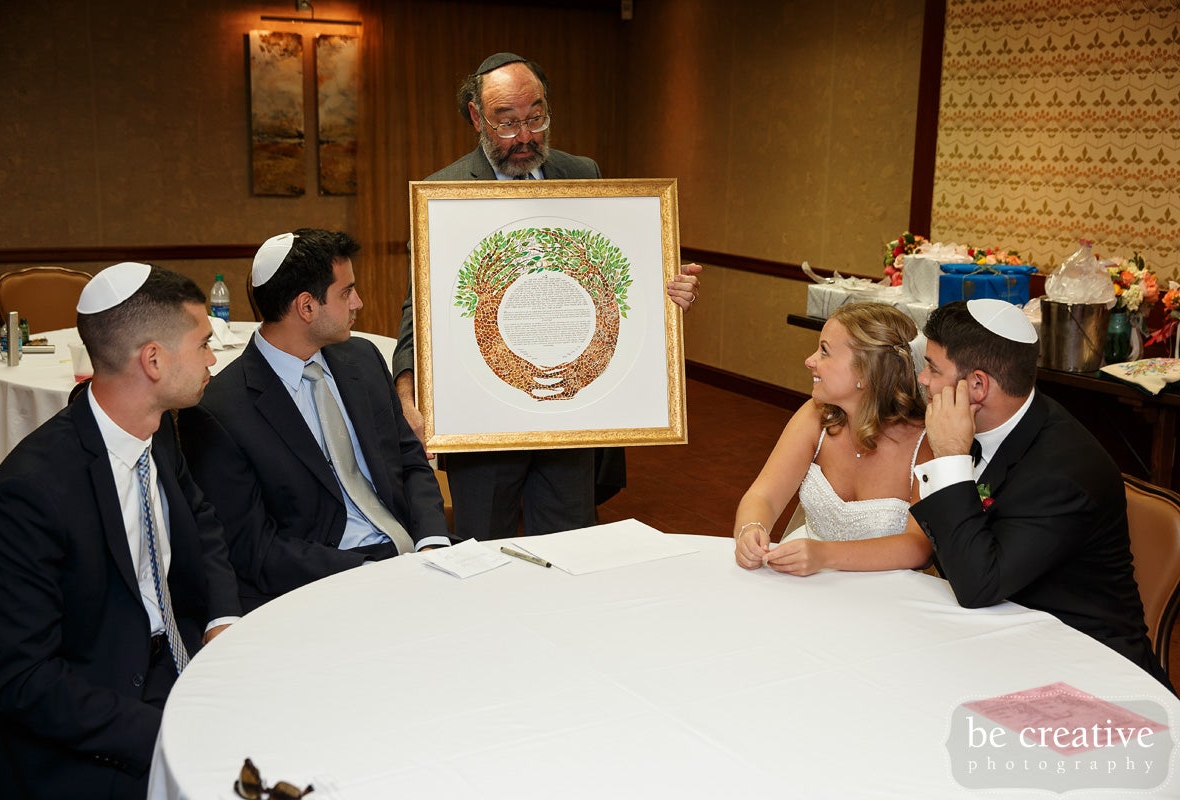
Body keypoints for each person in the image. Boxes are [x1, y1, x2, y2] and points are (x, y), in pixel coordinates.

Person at [392, 51, 702, 540]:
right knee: (483, 547)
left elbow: (614, 276)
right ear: (477, 118)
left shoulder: (583, 173)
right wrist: (407, 385)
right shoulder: (443, 192)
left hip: (570, 409)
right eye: (507, 123)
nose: (525, 137)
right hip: (483, 410)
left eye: (536, 118)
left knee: (571, 543)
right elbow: (420, 305)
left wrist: (667, 291)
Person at [0, 263, 241, 800]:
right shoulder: (29, 492)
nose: (213, 359)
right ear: (153, 360)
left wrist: (221, 620)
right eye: (203, 345)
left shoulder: (158, 429)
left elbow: (201, 521)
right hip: (93, 717)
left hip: (179, 661)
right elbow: (26, 682)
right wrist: (168, 731)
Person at [178, 229, 450, 613]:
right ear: (306, 307)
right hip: (321, 583)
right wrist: (372, 569)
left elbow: (410, 461)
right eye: (346, 292)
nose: (358, 302)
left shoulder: (363, 358)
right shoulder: (219, 411)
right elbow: (256, 547)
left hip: (415, 556)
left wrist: (432, 541)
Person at [909, 298, 1171, 688]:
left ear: (978, 385)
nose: (923, 380)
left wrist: (950, 458)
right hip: (1006, 637)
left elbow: (977, 585)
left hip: (1090, 670)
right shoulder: (997, 426)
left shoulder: (1062, 472)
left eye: (933, 368)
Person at [734, 302, 933, 575]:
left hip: (884, 593)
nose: (810, 360)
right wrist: (751, 528)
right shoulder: (816, 417)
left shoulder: (925, 442)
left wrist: (824, 555)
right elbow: (763, 495)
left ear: (866, 372)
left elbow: (918, 548)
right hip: (806, 576)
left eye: (824, 351)